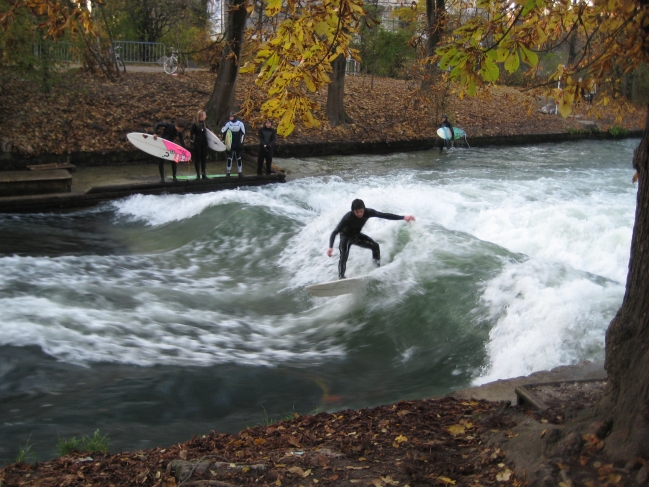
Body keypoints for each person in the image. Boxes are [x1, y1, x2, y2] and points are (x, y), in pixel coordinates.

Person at [327, 199, 415, 279]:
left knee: (375, 246)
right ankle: (341, 277)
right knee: (344, 252)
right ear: (353, 211)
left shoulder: (368, 212)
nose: (360, 214)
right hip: (345, 237)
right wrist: (330, 247)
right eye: (357, 212)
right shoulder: (347, 217)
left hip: (356, 236)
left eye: (361, 211)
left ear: (364, 209)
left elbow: (384, 215)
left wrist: (403, 217)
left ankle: (377, 270)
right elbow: (335, 232)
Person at [221, 111, 246, 177]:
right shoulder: (228, 124)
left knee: (239, 157)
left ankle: (240, 172)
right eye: (230, 117)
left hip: (238, 143)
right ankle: (228, 172)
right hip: (230, 144)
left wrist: (241, 142)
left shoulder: (240, 124)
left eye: (232, 117)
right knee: (230, 157)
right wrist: (223, 140)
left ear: (234, 117)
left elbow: (243, 133)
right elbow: (223, 131)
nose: (230, 118)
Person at [190, 110, 210, 180]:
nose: (206, 116)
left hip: (204, 143)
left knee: (204, 159)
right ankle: (198, 175)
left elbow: (209, 134)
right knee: (197, 159)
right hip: (197, 143)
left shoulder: (205, 123)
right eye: (205, 115)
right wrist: (192, 144)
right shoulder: (194, 124)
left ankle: (203, 174)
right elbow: (191, 135)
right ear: (201, 116)